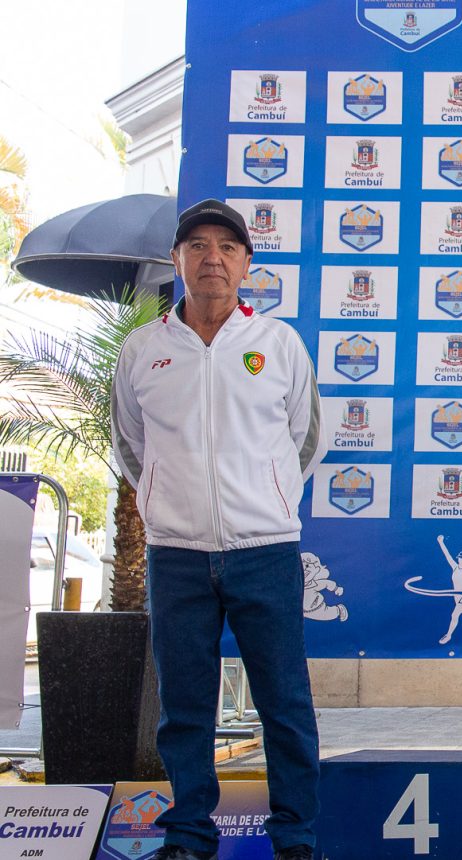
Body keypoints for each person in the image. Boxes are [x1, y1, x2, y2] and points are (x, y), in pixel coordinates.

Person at [112, 198, 323, 860]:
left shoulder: (278, 344)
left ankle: (296, 838)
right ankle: (189, 836)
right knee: (184, 708)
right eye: (198, 246)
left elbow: (306, 439)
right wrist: (165, 504)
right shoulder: (143, 350)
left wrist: (269, 497)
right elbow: (130, 445)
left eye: (227, 247)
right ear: (176, 260)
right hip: (176, 554)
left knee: (285, 703)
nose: (213, 258)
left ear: (246, 264)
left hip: (265, 551)